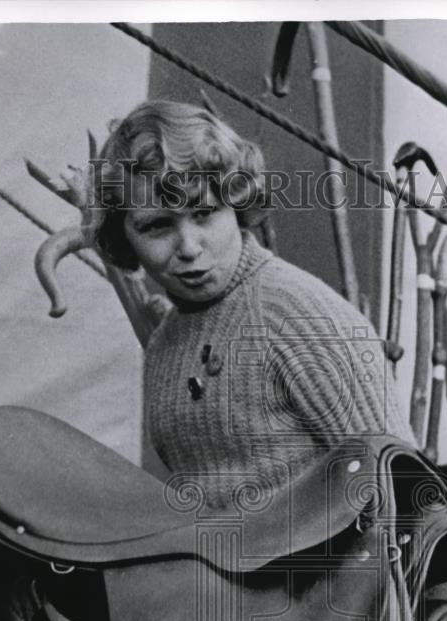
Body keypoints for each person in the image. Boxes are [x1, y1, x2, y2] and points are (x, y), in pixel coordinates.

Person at [86, 100, 414, 509]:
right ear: (124, 237)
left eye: (204, 213)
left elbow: (408, 495)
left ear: (237, 204)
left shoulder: (296, 314)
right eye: (157, 226)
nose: (188, 247)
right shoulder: (164, 347)